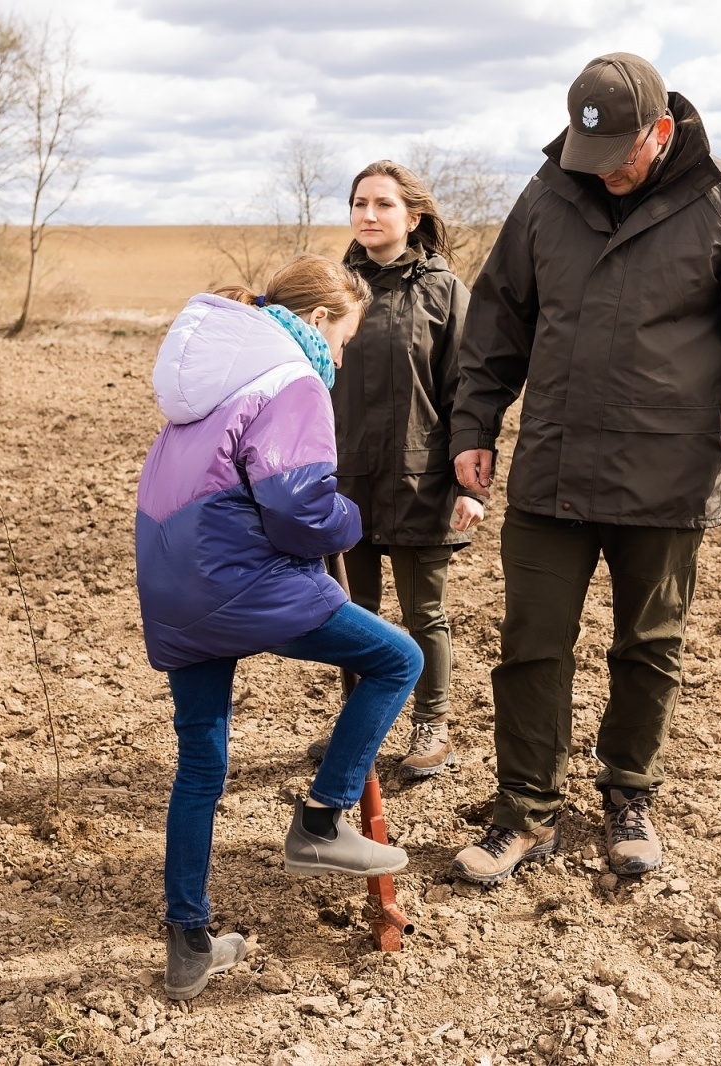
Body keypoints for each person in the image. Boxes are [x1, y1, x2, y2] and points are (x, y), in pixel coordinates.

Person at [448, 53, 721, 886]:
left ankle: (627, 795)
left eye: (620, 156)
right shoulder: (547, 195)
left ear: (662, 130)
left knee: (649, 649)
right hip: (554, 469)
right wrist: (475, 423)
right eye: (591, 158)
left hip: (668, 474)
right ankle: (524, 813)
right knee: (531, 647)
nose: (604, 174)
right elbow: (498, 321)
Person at [135, 254, 423, 1000]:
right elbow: (298, 510)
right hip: (240, 581)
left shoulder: (207, 378)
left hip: (173, 579)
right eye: (348, 339)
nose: (343, 355)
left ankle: (189, 942)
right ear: (322, 320)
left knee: (201, 761)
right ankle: (322, 821)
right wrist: (349, 519)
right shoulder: (290, 375)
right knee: (398, 660)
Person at [316, 160, 482, 782]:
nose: (367, 214)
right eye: (359, 203)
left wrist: (472, 483)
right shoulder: (332, 292)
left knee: (424, 614)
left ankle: (431, 725)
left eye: (382, 204)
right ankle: (358, 729)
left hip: (422, 478)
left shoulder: (445, 292)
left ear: (412, 217)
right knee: (350, 610)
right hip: (346, 479)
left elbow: (468, 389)